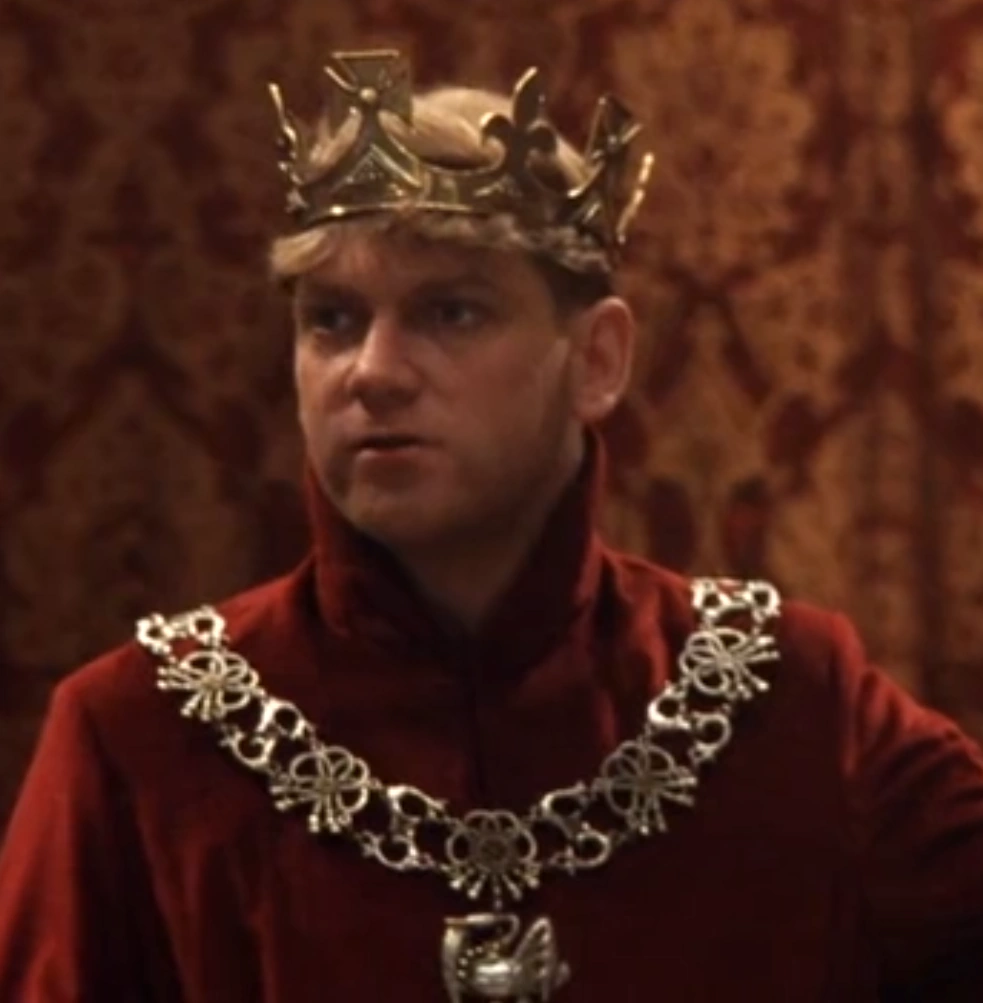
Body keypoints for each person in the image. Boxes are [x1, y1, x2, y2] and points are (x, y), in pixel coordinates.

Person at [1, 47, 982, 1003]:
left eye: (451, 313)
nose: (372, 372)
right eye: (331, 320)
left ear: (595, 361)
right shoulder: (135, 735)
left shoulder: (796, 702)